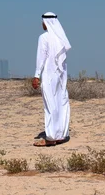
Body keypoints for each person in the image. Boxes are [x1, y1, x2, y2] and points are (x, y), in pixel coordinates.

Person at [32, 12, 71, 147]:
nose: (42, 24)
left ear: (46, 22)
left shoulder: (44, 37)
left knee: (50, 104)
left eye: (43, 21)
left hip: (49, 74)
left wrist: (37, 75)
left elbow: (41, 57)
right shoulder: (61, 37)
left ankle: (50, 137)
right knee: (61, 102)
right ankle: (60, 134)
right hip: (61, 75)